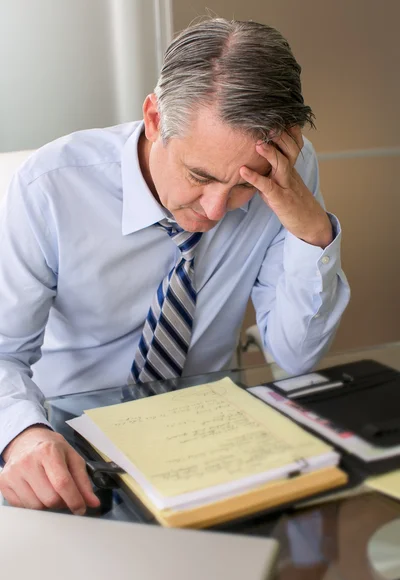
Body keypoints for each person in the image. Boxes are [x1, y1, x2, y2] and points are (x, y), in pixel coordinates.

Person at [0, 18, 350, 514]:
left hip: (208, 448)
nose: (214, 210)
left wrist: (311, 232)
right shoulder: (50, 188)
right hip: (68, 451)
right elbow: (3, 354)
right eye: (199, 175)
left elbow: (295, 359)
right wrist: (25, 436)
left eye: (245, 186)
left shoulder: (285, 174)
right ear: (155, 118)